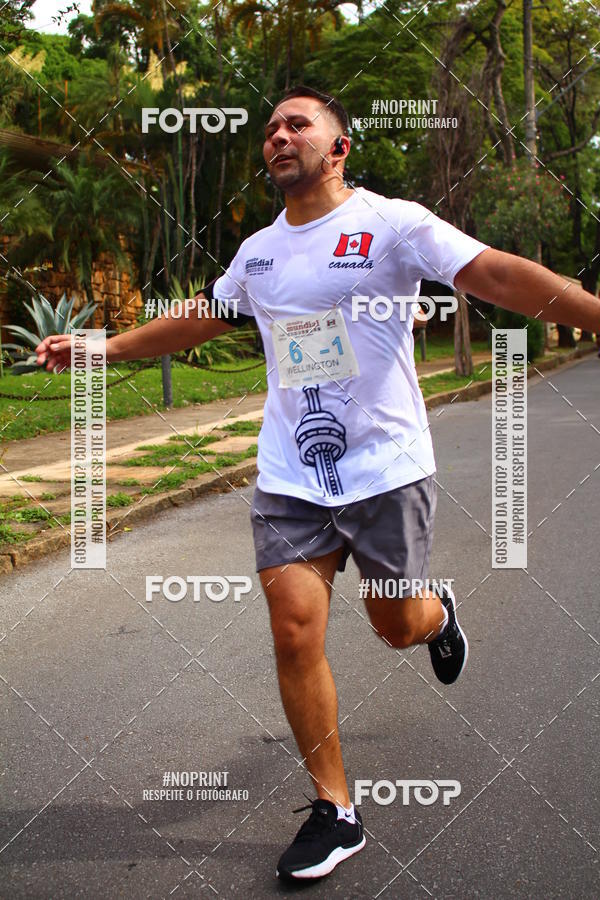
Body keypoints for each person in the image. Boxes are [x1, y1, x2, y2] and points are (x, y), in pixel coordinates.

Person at [36, 85, 600, 883]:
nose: (278, 136)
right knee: (294, 630)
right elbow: (205, 315)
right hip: (292, 475)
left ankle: (436, 617)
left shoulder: (392, 222)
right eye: (270, 128)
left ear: (339, 146)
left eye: (297, 124)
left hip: (386, 468)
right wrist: (106, 347)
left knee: (394, 625)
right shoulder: (260, 252)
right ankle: (335, 810)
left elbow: (496, 275)